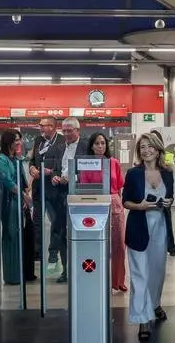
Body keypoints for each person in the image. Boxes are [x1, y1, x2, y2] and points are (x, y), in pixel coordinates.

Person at [123, 133, 174, 341]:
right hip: (138, 227)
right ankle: (142, 320)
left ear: (158, 148)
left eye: (149, 146)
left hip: (160, 228)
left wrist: (168, 202)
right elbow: (126, 201)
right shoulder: (134, 173)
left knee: (156, 271)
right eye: (142, 147)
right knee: (139, 274)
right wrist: (140, 206)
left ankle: (154, 305)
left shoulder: (168, 172)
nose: (146, 151)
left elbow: (169, 196)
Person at [79, 132, 127, 292]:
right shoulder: (87, 164)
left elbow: (119, 185)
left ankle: (118, 281)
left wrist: (118, 204)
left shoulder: (114, 162)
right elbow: (84, 188)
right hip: (95, 205)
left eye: (103, 143)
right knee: (98, 245)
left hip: (115, 205)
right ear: (91, 146)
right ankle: (97, 279)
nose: (100, 146)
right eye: (97, 143)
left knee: (119, 244)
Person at [49, 117, 89, 284]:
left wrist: (73, 178)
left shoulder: (86, 146)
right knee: (61, 233)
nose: (66, 134)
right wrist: (54, 177)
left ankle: (85, 268)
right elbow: (54, 169)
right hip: (60, 195)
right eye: (63, 130)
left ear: (77, 130)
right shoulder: (58, 147)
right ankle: (66, 269)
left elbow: (90, 169)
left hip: (80, 195)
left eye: (69, 130)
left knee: (81, 232)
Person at [0, 129, 34, 285]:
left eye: (20, 139)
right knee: (11, 236)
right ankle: (12, 275)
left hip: (19, 202)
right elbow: (7, 182)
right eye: (16, 139)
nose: (19, 142)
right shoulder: (2, 160)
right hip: (9, 203)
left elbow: (22, 180)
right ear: (8, 141)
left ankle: (21, 272)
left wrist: (25, 192)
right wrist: (24, 196)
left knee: (20, 237)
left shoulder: (15, 159)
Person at [28, 117, 66, 267]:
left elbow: (64, 165)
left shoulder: (62, 141)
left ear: (52, 127)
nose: (40, 128)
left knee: (56, 221)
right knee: (36, 221)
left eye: (43, 125)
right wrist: (32, 168)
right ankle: (37, 252)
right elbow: (32, 160)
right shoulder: (38, 141)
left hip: (54, 188)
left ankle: (53, 252)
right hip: (38, 187)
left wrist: (51, 172)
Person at [150, 130, 175, 257]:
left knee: (166, 219)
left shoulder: (168, 155)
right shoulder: (148, 155)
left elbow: (170, 174)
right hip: (152, 191)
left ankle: (171, 247)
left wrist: (169, 197)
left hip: (165, 190)